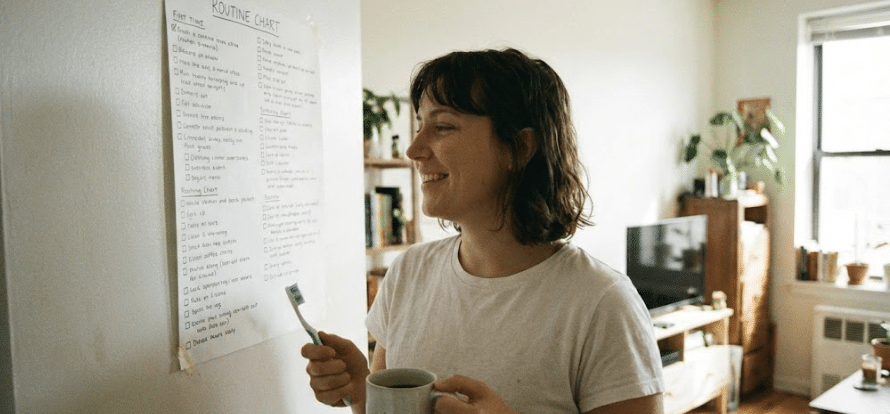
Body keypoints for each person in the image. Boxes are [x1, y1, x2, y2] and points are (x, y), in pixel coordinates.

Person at [302, 48, 664, 414]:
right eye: (419, 125)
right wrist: (364, 394)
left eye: (442, 126)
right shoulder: (408, 272)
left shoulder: (603, 304)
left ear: (519, 148)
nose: (414, 149)